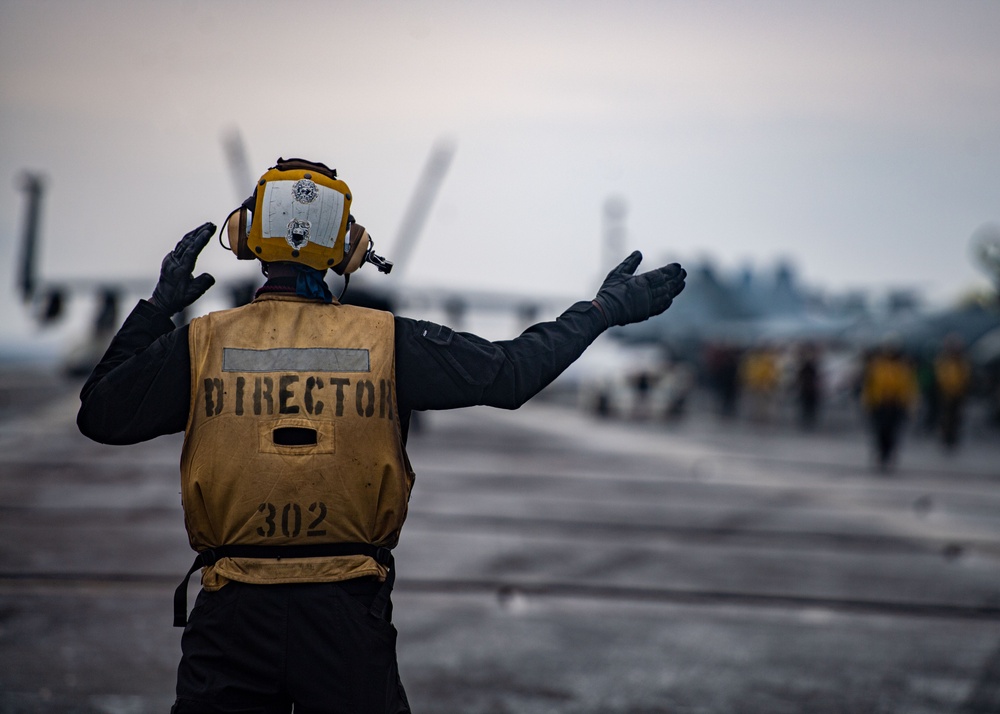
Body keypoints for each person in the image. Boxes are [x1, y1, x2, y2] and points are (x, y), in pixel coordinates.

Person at [76, 157, 686, 713]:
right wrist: (602, 311)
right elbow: (513, 372)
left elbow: (101, 414)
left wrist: (158, 307)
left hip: (230, 613)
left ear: (248, 236)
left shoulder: (203, 342)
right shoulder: (388, 341)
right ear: (347, 248)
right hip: (345, 619)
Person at [860, 338, 917, 471]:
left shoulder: (903, 367)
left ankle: (889, 455)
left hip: (896, 405)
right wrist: (868, 402)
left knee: (893, 432)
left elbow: (909, 387)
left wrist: (909, 404)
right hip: (880, 404)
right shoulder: (876, 365)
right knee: (880, 431)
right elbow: (869, 385)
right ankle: (881, 454)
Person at [934, 334, 972, 450]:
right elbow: (940, 375)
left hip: (958, 394)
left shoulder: (962, 361)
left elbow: (966, 377)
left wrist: (963, 390)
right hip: (946, 394)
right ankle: (946, 438)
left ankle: (953, 439)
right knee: (946, 418)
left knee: (956, 418)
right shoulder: (944, 360)